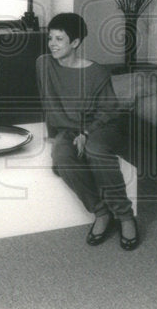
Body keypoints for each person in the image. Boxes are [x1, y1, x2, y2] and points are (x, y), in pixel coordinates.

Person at [35, 12, 139, 250]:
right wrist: (56, 136)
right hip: (68, 129)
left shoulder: (97, 72)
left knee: (95, 151)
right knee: (62, 156)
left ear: (75, 43)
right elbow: (48, 101)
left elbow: (110, 111)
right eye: (50, 37)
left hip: (102, 126)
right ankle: (101, 212)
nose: (52, 44)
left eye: (59, 39)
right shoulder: (43, 64)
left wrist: (87, 132)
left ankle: (125, 216)